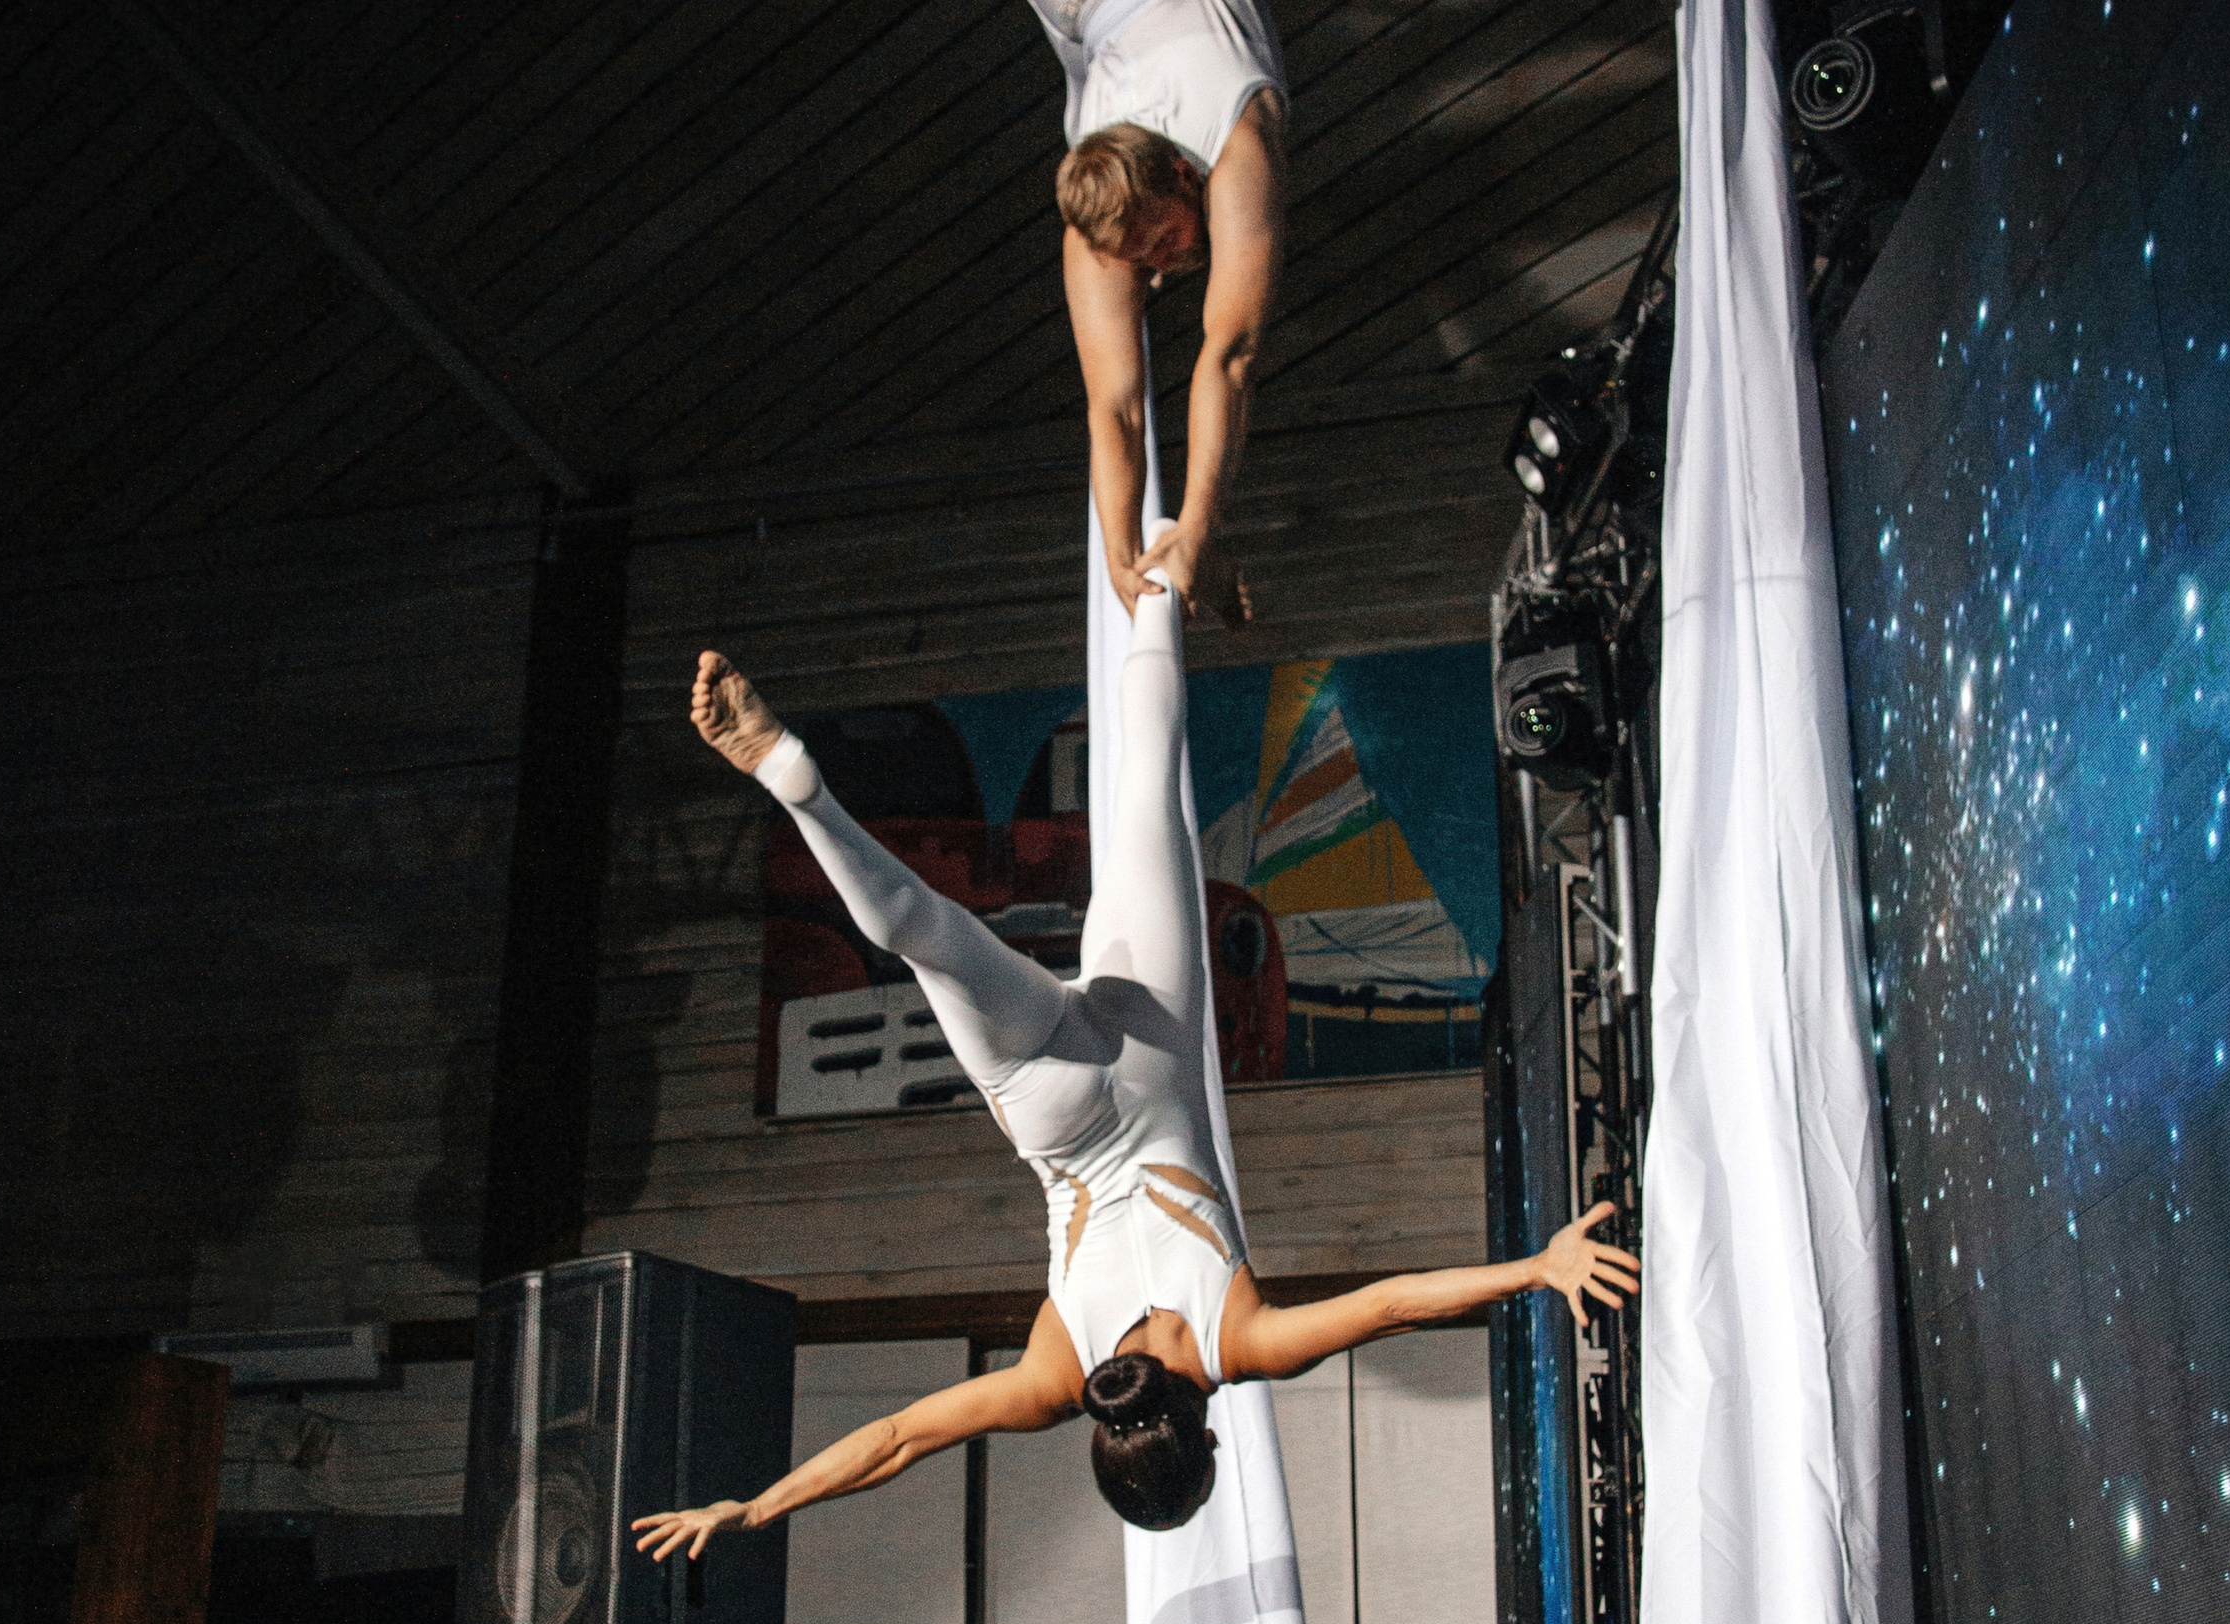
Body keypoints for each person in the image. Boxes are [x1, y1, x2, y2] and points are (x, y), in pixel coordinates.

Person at [632, 564, 1634, 1569]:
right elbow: (899, 1439)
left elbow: (1393, 1303)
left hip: (1149, 1054)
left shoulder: (1239, 1347)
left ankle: (1161, 579)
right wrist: (757, 1508)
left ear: (1201, 1437)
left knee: (1147, 781)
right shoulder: (1051, 1378)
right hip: (1050, 1104)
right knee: (929, 937)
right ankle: (794, 781)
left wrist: (1538, 1270)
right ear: (1108, 1439)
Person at [1017, 0, 1672, 620]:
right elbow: (1112, 408)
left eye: (1163, 240)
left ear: (1178, 169)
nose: (1166, 265)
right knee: (1091, 111)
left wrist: (1198, 529)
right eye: (1147, 258)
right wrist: (1124, 557)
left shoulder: (1233, 139)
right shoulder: (1095, 220)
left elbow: (1229, 353)